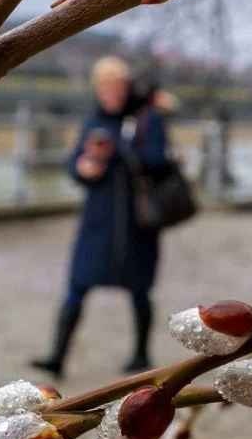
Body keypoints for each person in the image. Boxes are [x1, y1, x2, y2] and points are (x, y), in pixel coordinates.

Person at [31, 56, 171, 378]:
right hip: (97, 221)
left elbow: (159, 162)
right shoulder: (93, 120)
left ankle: (140, 354)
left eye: (117, 85)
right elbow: (74, 165)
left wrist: (118, 149)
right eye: (105, 86)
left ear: (127, 86)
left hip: (137, 223)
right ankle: (57, 357)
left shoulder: (147, 119)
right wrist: (84, 168)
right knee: (77, 286)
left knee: (140, 290)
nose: (111, 92)